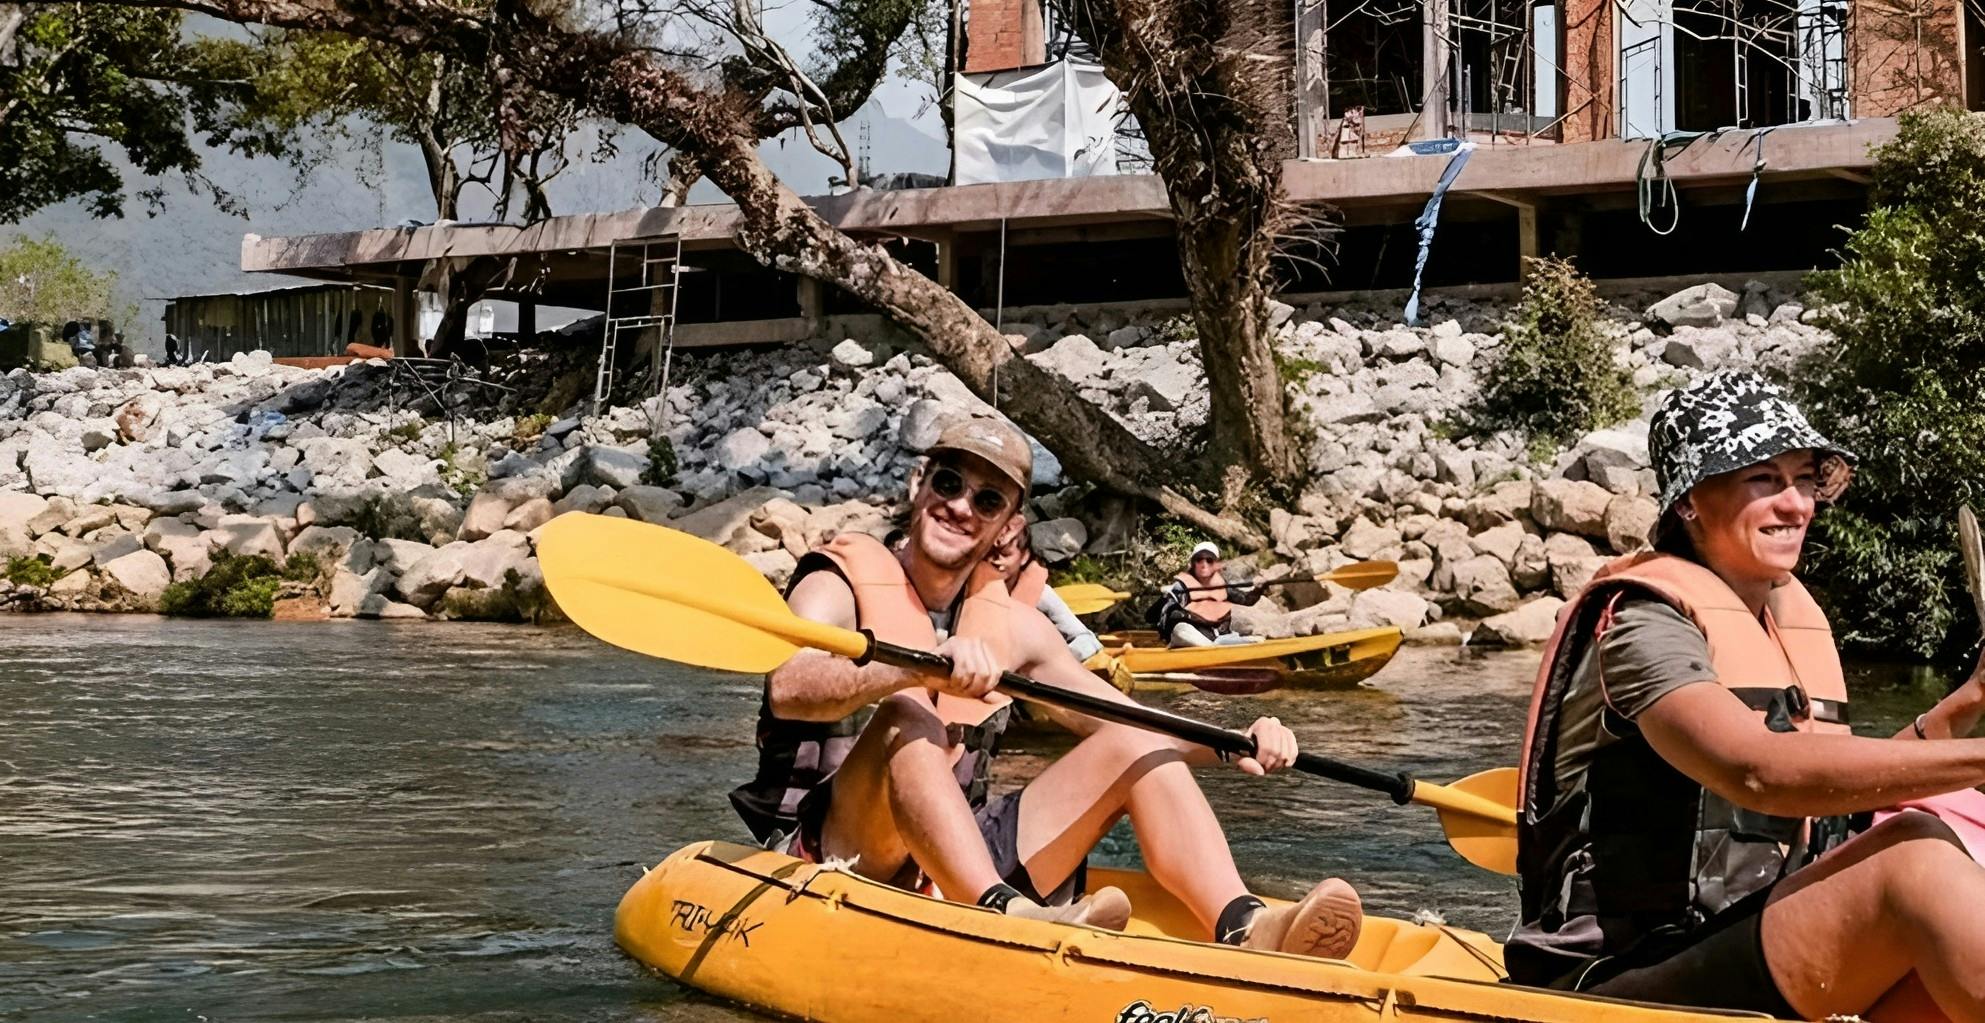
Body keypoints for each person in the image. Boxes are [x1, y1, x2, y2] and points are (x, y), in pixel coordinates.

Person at [729, 415, 1364, 955]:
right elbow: (789, 685)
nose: (961, 506)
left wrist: (1235, 742)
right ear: (919, 484)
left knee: (1134, 745)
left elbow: (1124, 717)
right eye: (948, 483)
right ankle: (1011, 917)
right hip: (837, 849)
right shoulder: (837, 583)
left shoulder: (1016, 627)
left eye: (987, 500)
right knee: (908, 717)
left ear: (1007, 524)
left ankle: (1245, 924)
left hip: (956, 856)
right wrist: (909, 668)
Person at [1510, 371, 1985, 1021]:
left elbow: (1842, 798)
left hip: (1749, 942)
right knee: (1915, 856)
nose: (1796, 505)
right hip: (1621, 975)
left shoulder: (1784, 618)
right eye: (1762, 479)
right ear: (1688, 502)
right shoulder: (1642, 625)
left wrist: (1969, 698)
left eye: (1804, 479)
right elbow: (1757, 771)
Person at [986, 524, 1103, 663]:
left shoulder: (1041, 594)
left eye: (1005, 554)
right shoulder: (972, 594)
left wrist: (1050, 663)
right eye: (989, 555)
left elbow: (1087, 641)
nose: (996, 561)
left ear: (1023, 557)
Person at [1153, 543, 1265, 648]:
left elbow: (1247, 600)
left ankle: (1215, 646)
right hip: (1192, 635)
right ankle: (1202, 645)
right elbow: (1160, 616)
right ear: (1193, 564)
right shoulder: (1181, 587)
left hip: (1221, 638)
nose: (1204, 565)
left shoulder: (1222, 585)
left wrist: (1259, 588)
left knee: (1258, 640)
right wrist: (1167, 599)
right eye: (1199, 560)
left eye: (1209, 560)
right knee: (1180, 627)